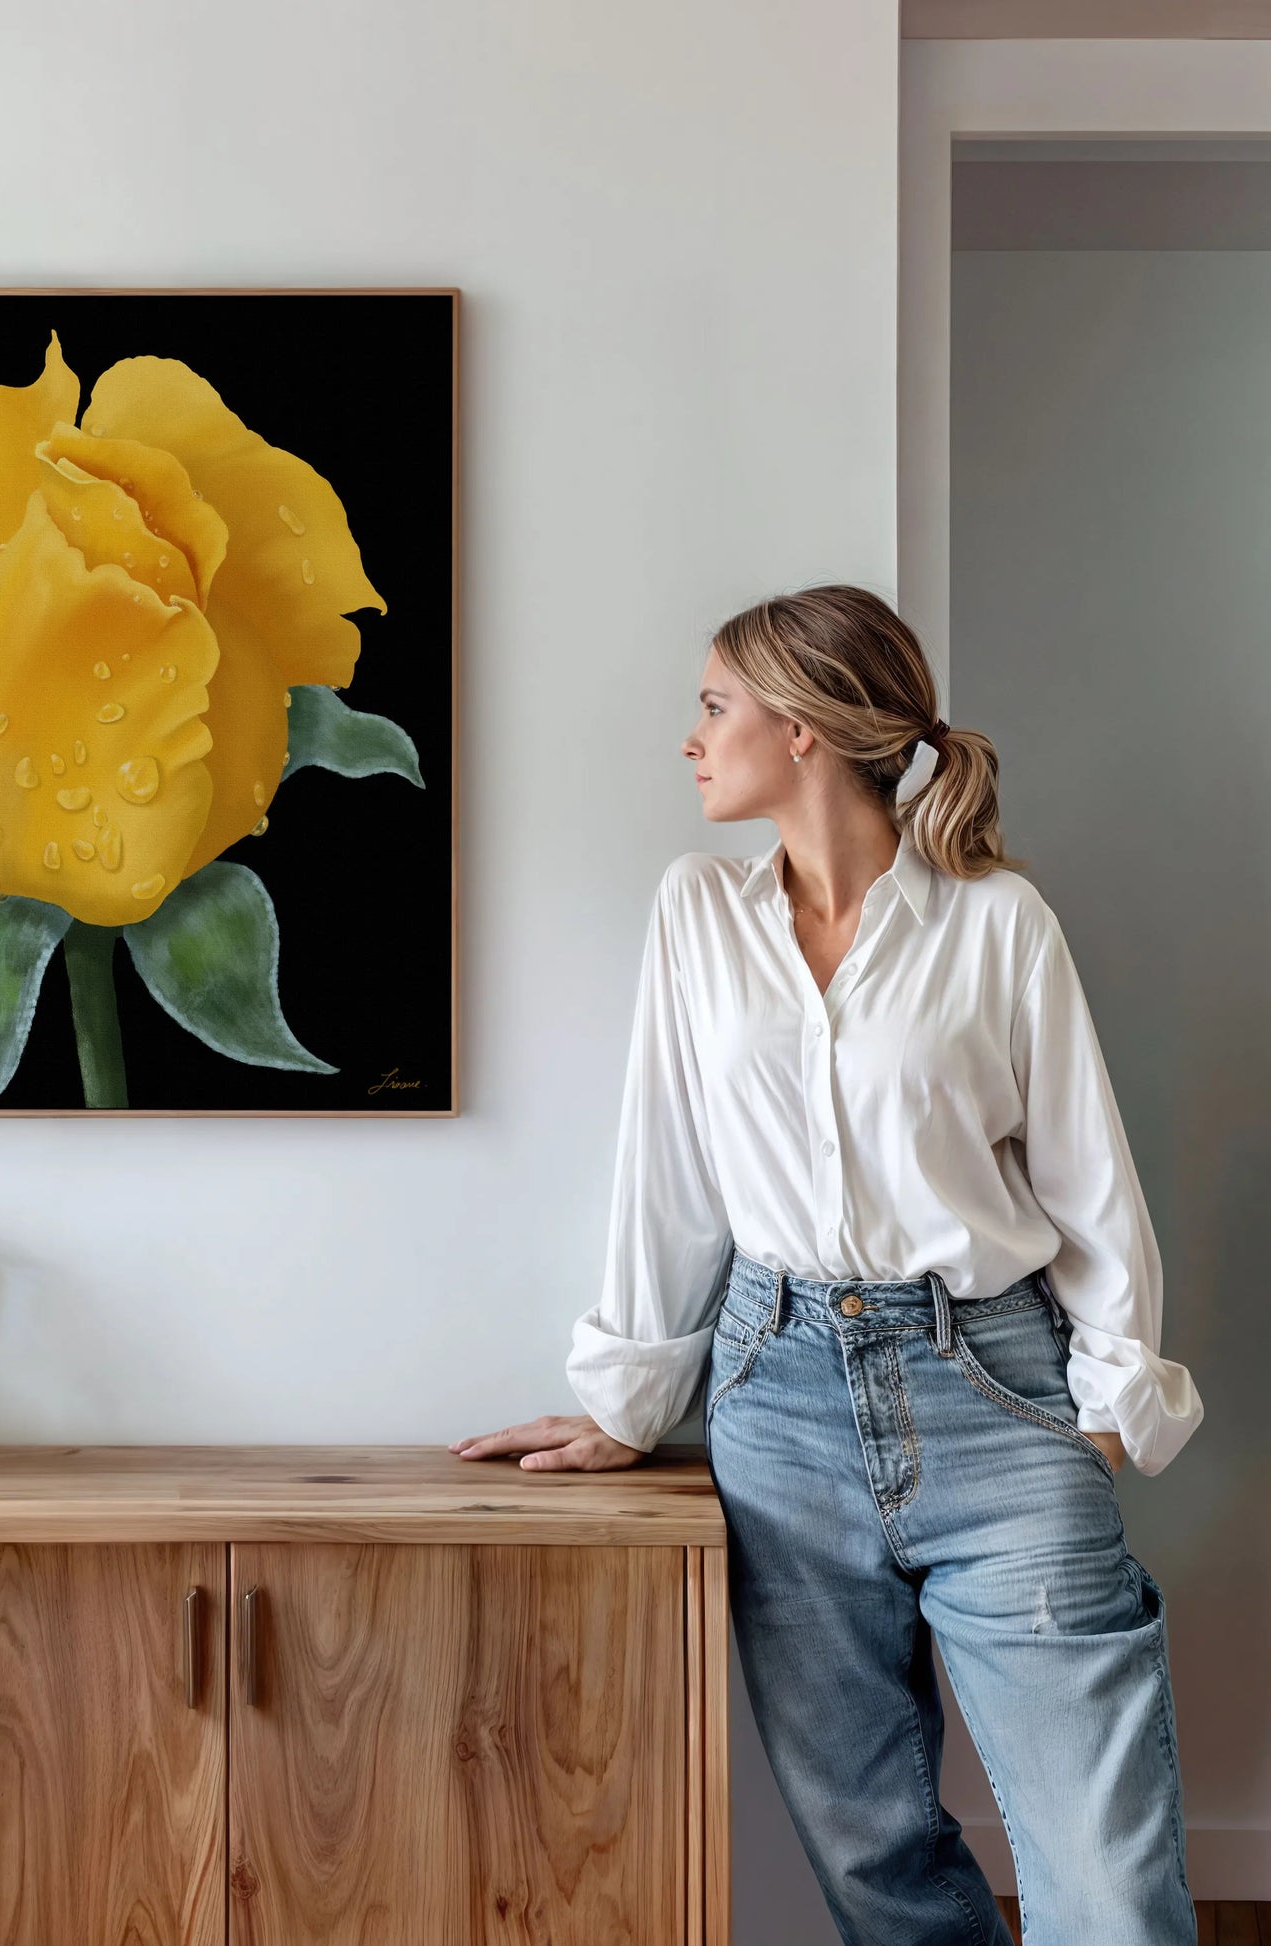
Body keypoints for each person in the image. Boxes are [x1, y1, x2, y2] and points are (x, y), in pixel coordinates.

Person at [450, 585, 1203, 1945]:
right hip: (774, 1397)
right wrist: (629, 1399)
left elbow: (1088, 1182)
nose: (690, 738)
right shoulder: (696, 915)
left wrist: (1102, 1409)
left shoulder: (996, 923)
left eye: (712, 706)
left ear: (800, 731)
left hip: (995, 1387)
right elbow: (665, 1171)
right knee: (873, 1859)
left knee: (1105, 1877)